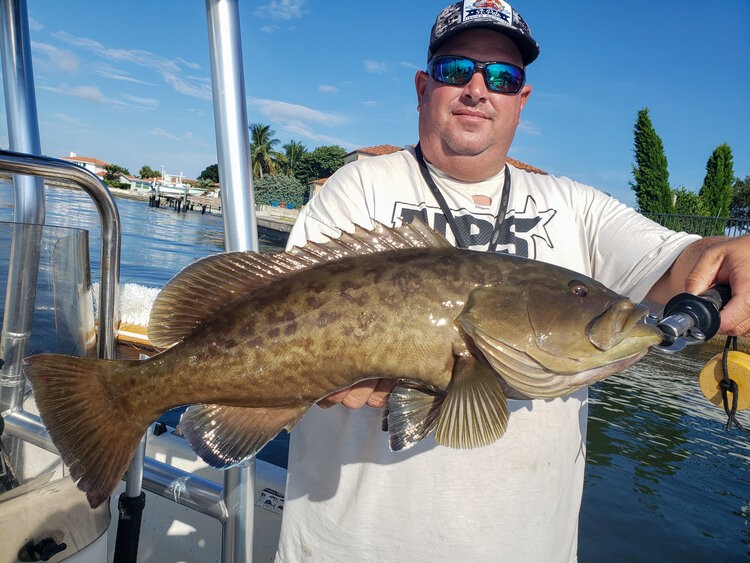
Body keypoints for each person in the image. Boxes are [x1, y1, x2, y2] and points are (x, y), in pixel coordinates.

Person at [275, 2, 750, 561]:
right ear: (423, 87)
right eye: (457, 71)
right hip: (349, 547)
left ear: (521, 100)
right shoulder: (356, 189)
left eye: (502, 77)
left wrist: (732, 254)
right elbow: (286, 318)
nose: (478, 89)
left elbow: (689, 260)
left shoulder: (577, 205)